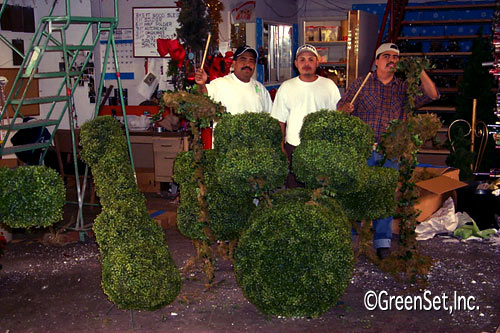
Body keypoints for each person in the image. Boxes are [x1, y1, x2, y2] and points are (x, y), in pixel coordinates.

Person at [337, 42, 439, 259]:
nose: (391, 60)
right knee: (359, 194)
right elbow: (341, 108)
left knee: (385, 197)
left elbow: (432, 94)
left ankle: (382, 243)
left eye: (395, 57)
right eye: (386, 56)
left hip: (390, 152)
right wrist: (345, 109)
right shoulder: (362, 84)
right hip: (363, 150)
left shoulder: (404, 88)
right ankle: (355, 239)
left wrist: (419, 71)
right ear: (376, 61)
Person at [271, 44, 341, 188]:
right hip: (294, 148)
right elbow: (279, 120)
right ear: (296, 64)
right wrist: (281, 147)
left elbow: (337, 117)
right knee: (294, 190)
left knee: (319, 190)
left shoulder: (329, 86)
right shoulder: (286, 87)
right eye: (302, 60)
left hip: (322, 148)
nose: (306, 63)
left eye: (310, 59)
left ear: (317, 62)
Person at [195, 45, 272, 115]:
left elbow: (270, 117)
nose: (247, 64)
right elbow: (203, 98)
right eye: (243, 60)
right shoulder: (220, 84)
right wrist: (201, 84)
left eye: (251, 61)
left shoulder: (261, 89)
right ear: (234, 63)